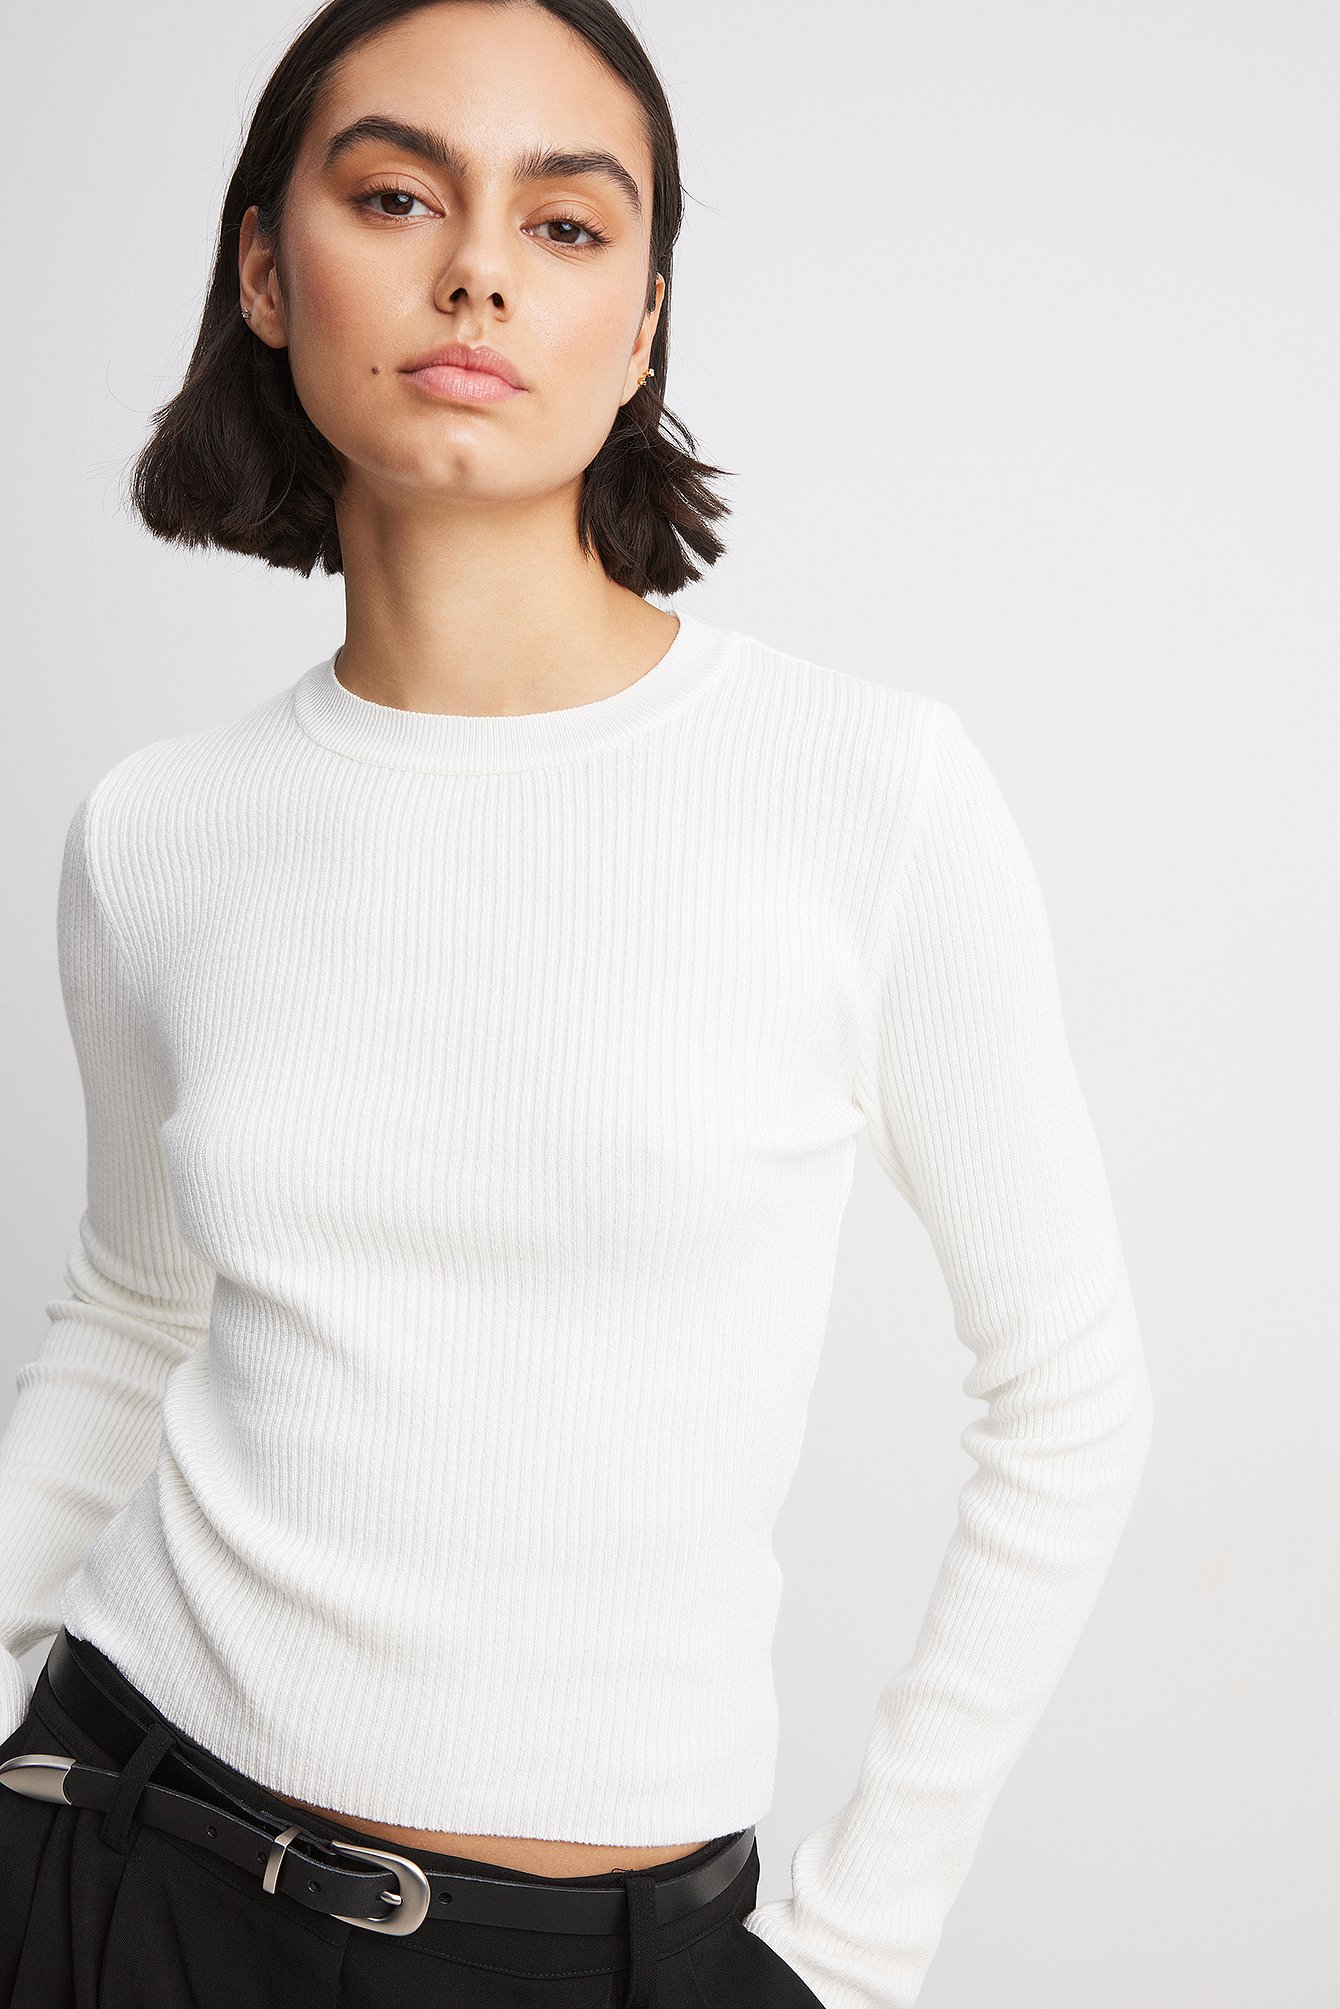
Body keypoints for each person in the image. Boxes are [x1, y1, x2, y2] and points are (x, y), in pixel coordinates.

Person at [0, 1, 1155, 2004]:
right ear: (265, 271)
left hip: (599, 1952)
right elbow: (130, 1310)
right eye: (394, 196)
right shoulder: (158, 832)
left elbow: (1069, 1394)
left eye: (563, 224)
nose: (476, 270)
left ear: (640, 326)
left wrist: (853, 1945)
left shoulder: (864, 790)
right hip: (122, 1862)